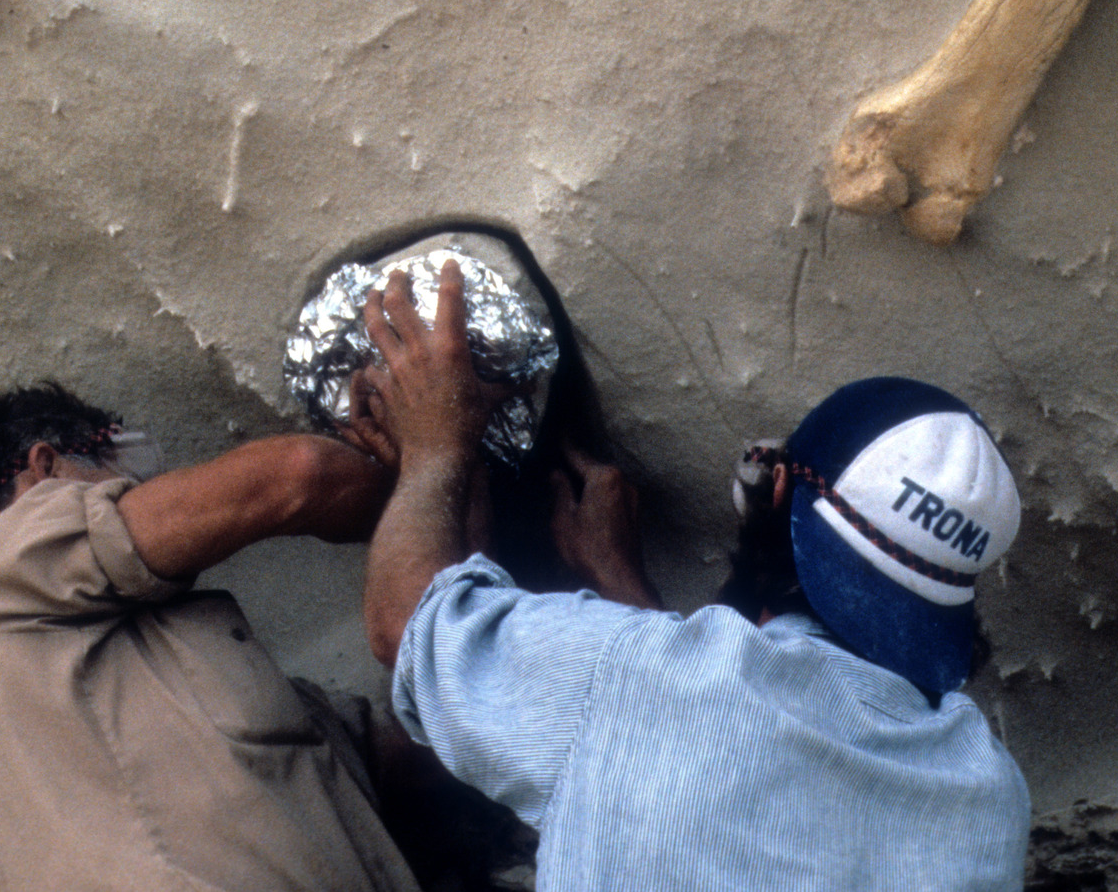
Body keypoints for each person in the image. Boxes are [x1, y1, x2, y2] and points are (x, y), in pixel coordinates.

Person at [355, 261, 1033, 892]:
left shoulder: (632, 680)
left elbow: (408, 626)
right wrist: (625, 593)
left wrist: (435, 444)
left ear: (774, 491)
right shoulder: (989, 799)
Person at [0, 380, 422, 892]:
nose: (141, 488)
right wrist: (431, 472)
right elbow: (300, 475)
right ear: (46, 469)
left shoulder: (166, 685)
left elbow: (420, 748)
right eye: (124, 470)